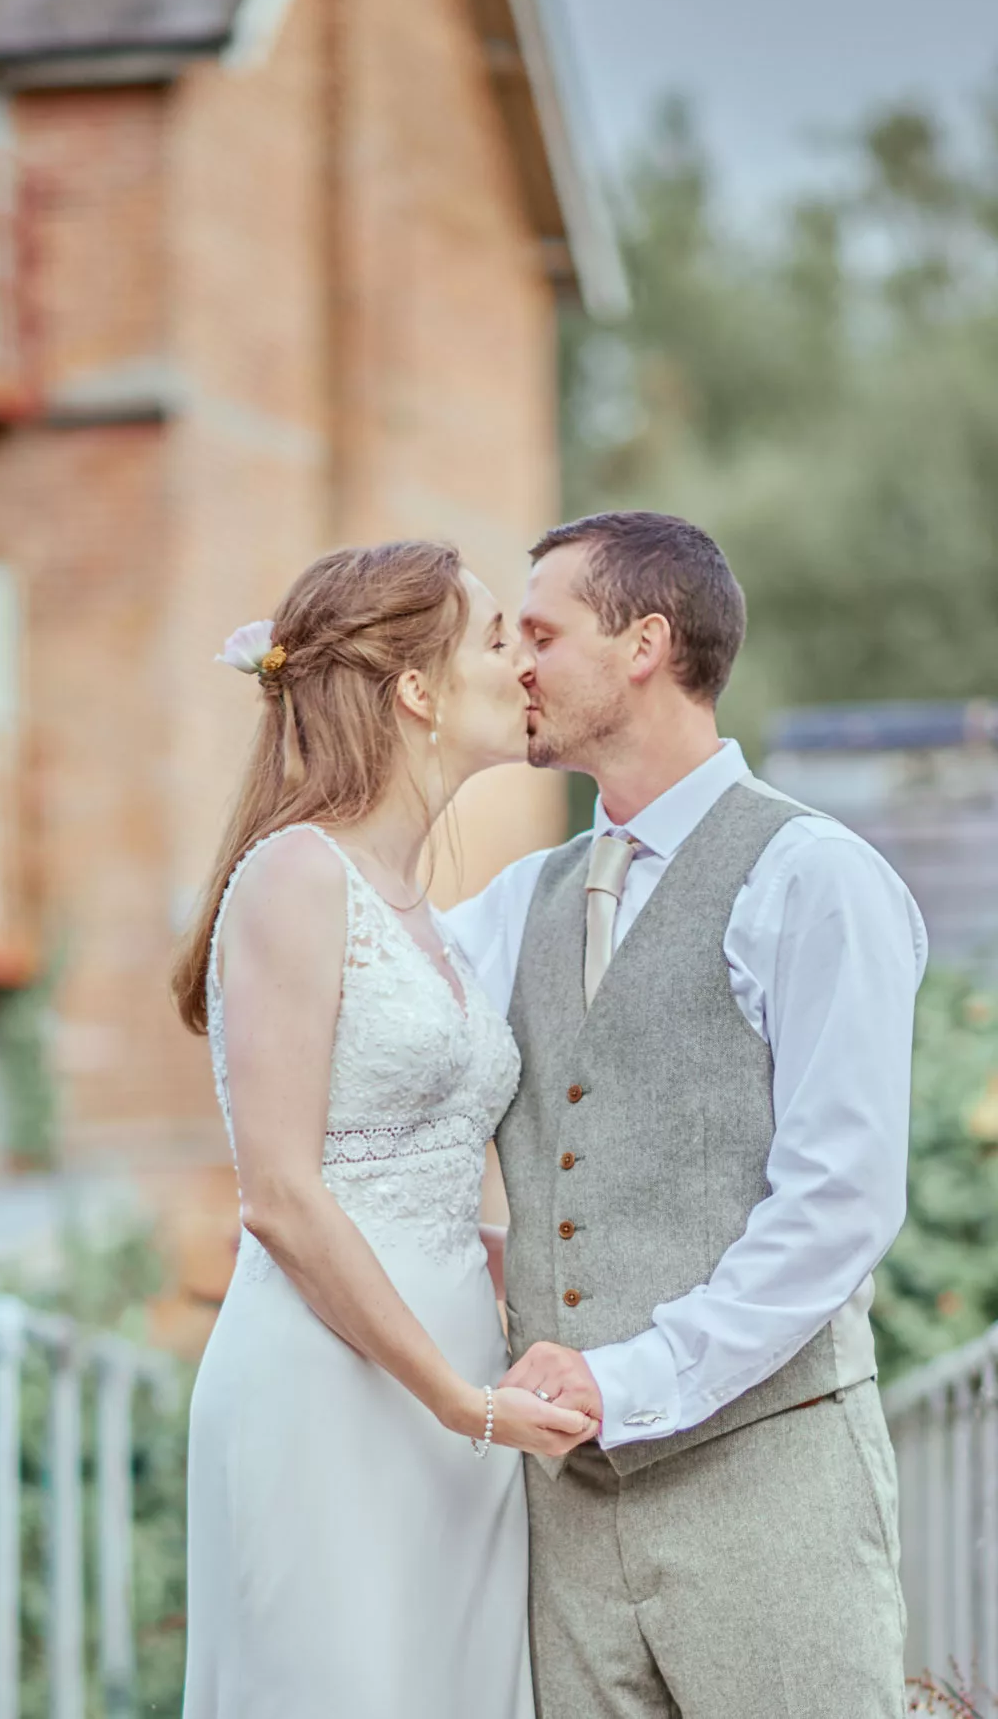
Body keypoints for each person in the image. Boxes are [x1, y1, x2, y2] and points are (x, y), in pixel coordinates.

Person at [442, 509, 927, 1719]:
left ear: (644, 641)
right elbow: (369, 1018)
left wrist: (638, 1373)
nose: (517, 665)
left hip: (768, 1490)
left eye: (542, 633)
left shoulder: (815, 878)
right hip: (563, 1519)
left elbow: (839, 1201)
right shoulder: (518, 901)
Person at [172, 539, 593, 1719]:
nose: (520, 667)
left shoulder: (425, 915)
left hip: (460, 1389)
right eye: (494, 639)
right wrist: (460, 1404)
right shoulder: (294, 876)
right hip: (339, 1388)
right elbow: (282, 1197)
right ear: (415, 689)